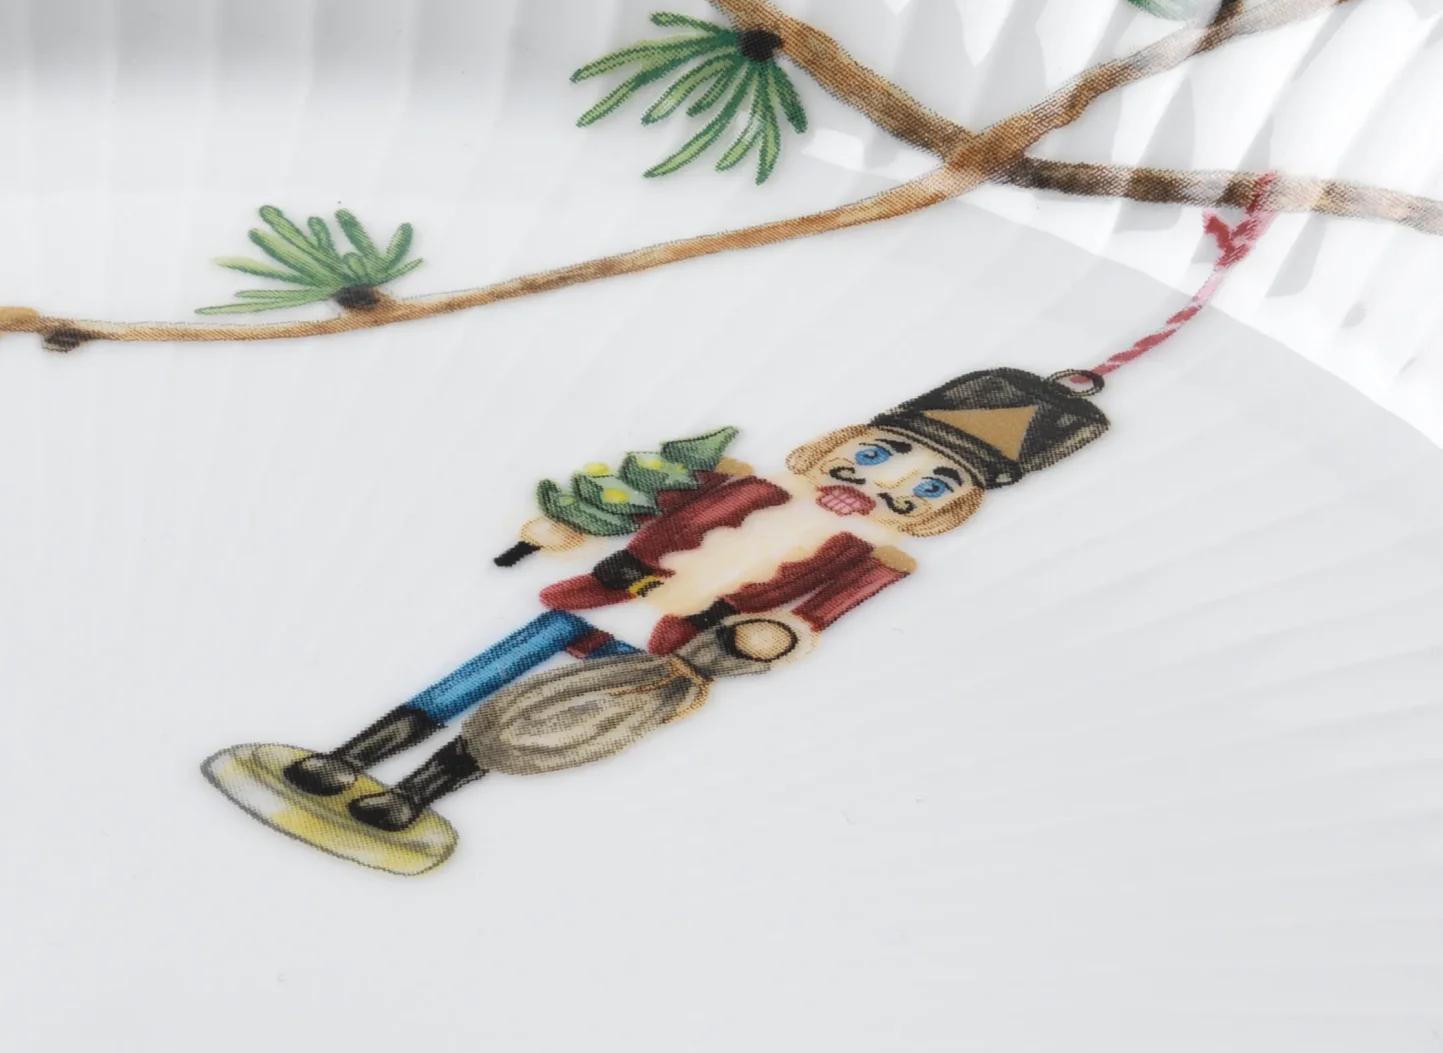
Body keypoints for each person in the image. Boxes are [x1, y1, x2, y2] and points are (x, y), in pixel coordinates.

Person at [203, 367, 1109, 873]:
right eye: (880, 455)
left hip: (675, 647)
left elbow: (820, 614)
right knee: (469, 682)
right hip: (608, 594)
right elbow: (645, 498)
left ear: (949, 510)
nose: (886, 483)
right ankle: (350, 757)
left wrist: (774, 639)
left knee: (535, 722)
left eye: (931, 485)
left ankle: (414, 796)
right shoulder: (745, 483)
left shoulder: (880, 557)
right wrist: (567, 526)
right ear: (842, 442)